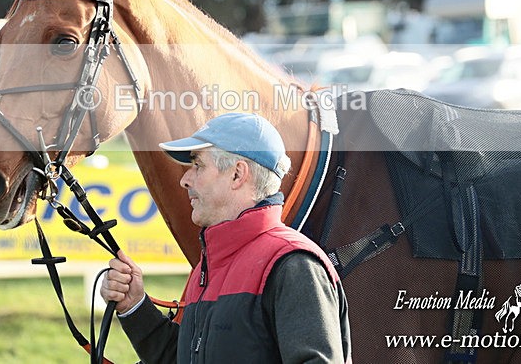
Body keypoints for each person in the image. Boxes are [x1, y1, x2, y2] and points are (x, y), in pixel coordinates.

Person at [100, 112, 351, 363]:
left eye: (197, 165)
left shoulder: (294, 266)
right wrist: (134, 306)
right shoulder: (209, 265)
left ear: (237, 174)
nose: (184, 180)